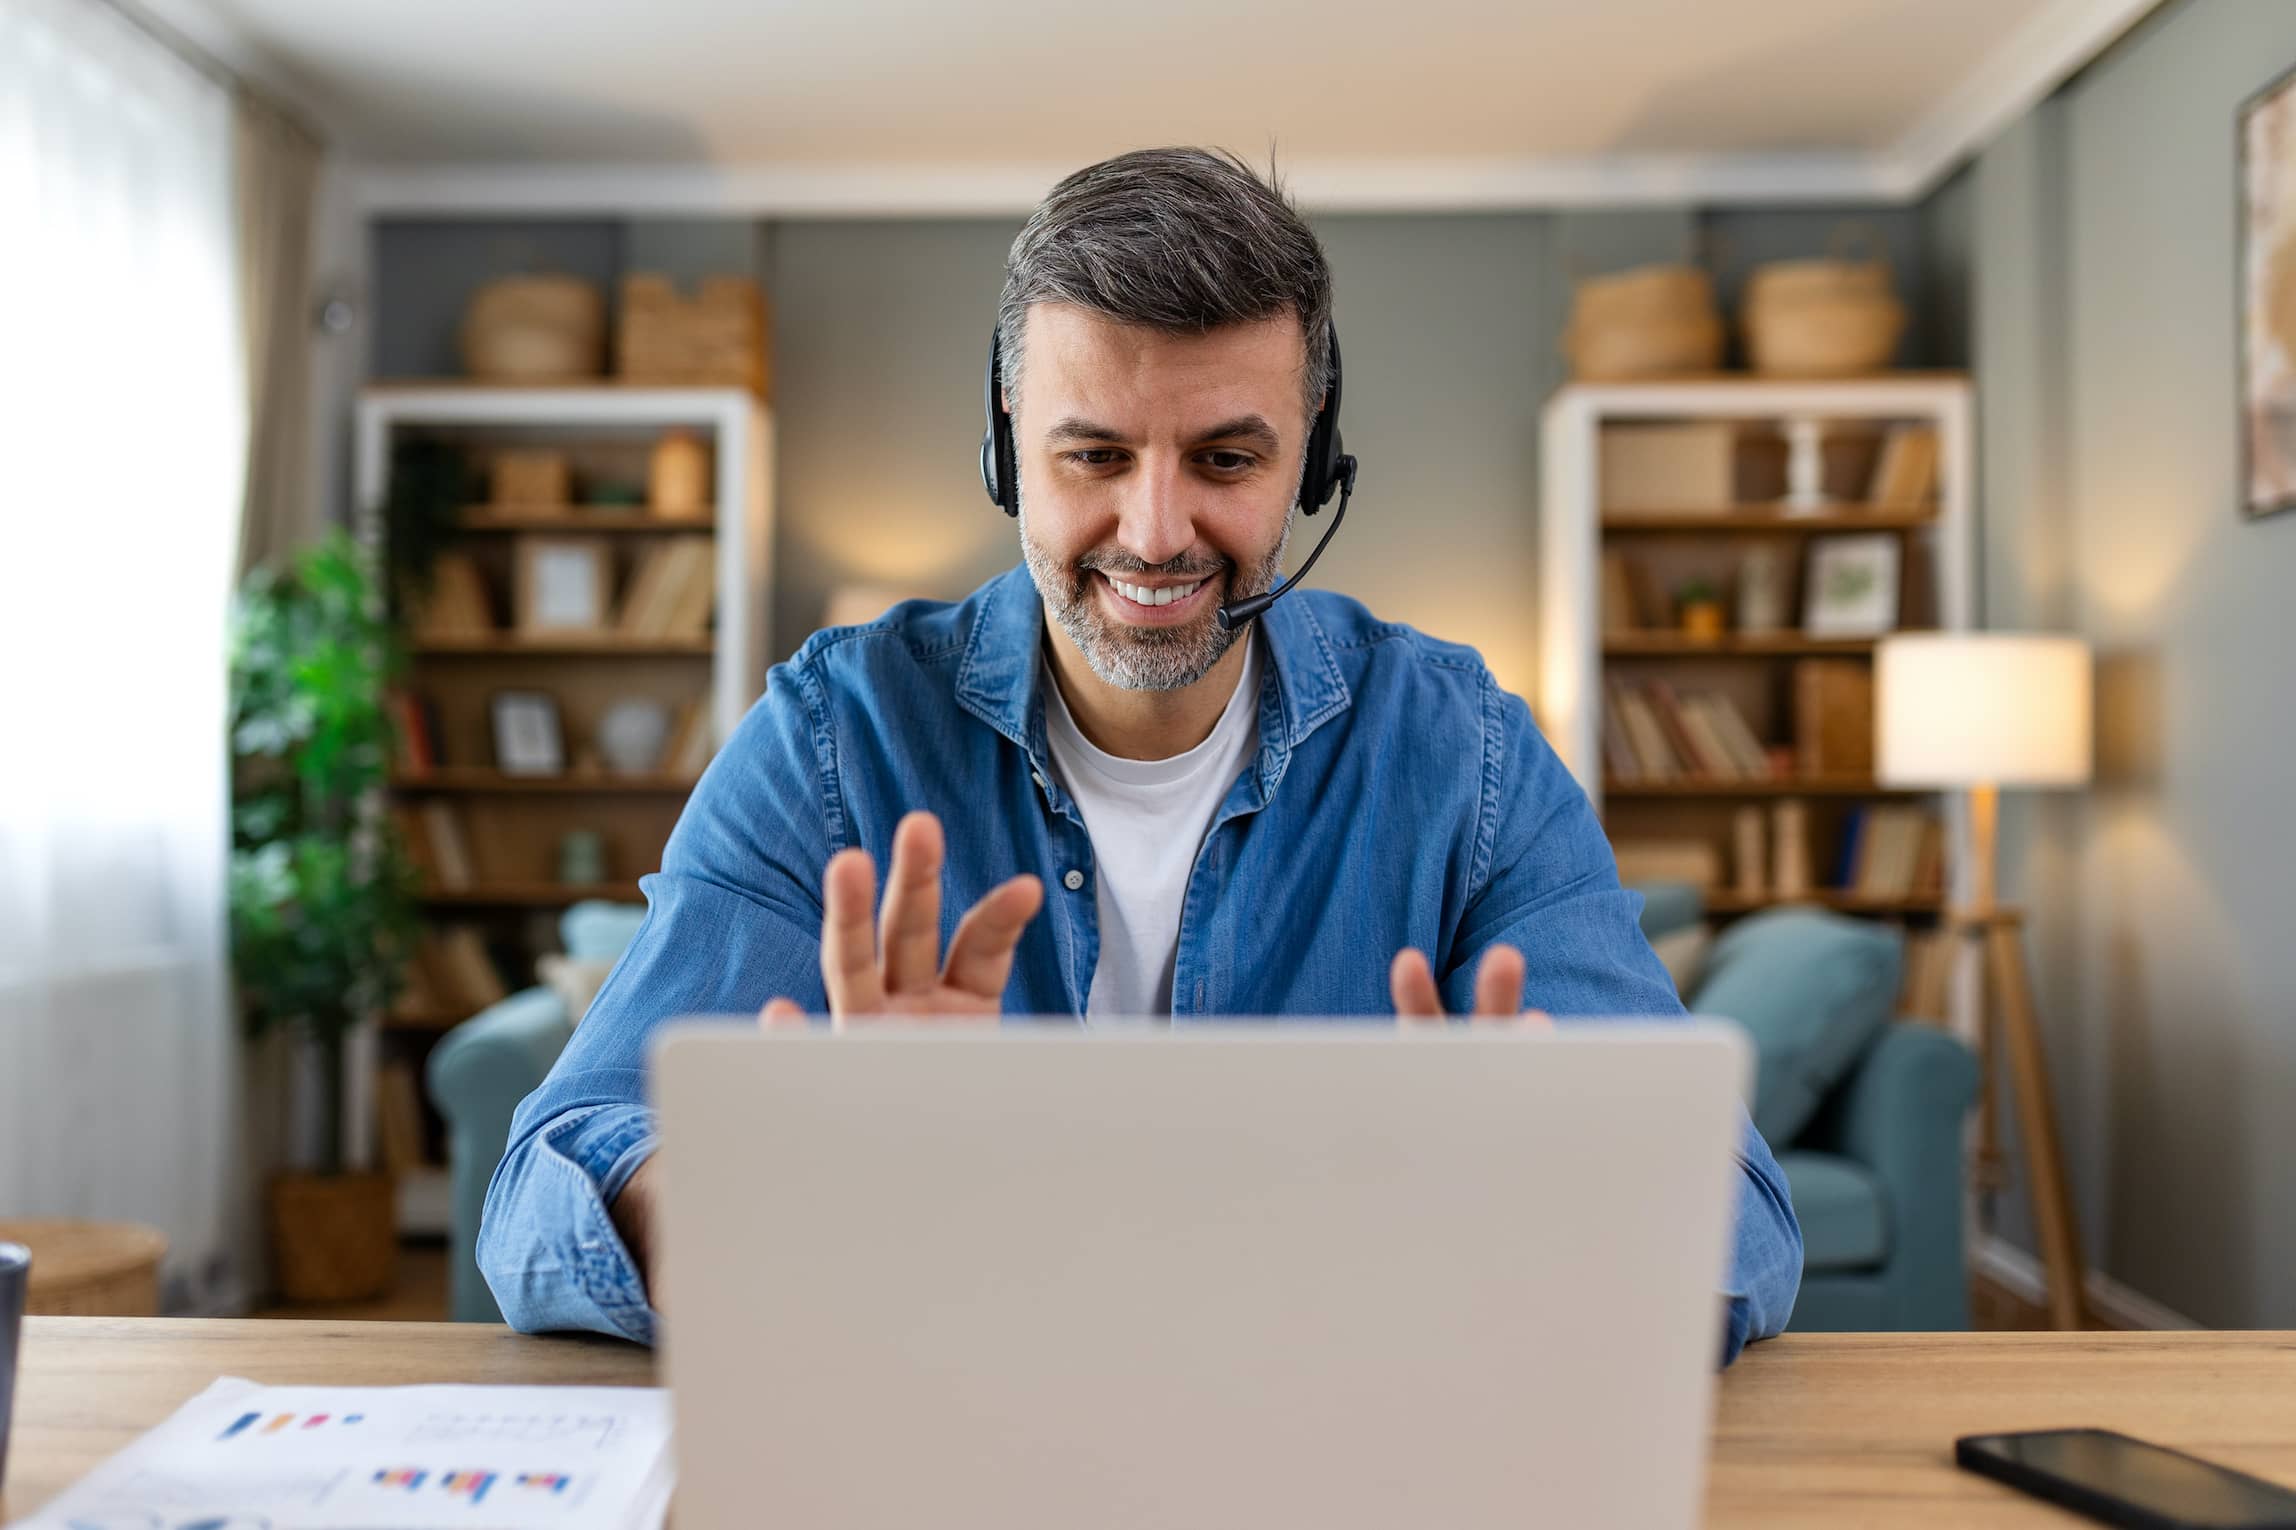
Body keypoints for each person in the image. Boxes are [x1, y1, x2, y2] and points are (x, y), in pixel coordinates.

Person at [478, 146, 1802, 1363]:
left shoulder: (1467, 754)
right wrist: (781, 1194)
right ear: (1005, 446)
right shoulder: (835, 734)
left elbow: (1738, 1212)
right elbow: (543, 1185)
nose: (1156, 530)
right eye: (1095, 455)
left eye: (1226, 456)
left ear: (1312, 462)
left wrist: (1549, 1220)